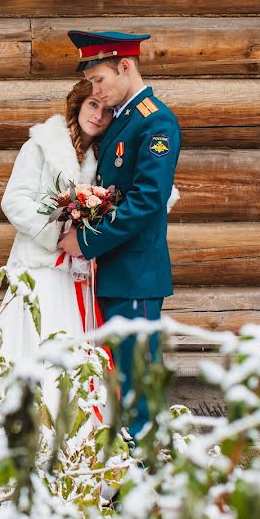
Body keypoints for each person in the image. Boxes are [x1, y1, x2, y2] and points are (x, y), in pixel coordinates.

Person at [58, 30, 181, 440]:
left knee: (139, 389)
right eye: (91, 83)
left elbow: (146, 202)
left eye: (99, 80)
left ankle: (149, 485)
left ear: (125, 66)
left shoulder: (156, 121)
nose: (95, 90)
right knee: (121, 385)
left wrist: (85, 242)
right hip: (114, 277)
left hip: (136, 277)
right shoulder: (125, 120)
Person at [0, 78, 112, 422]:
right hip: (39, 269)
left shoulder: (102, 156)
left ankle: (72, 435)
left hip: (75, 272)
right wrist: (59, 232)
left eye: (107, 110)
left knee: (71, 355)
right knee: (35, 348)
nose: (98, 115)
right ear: (78, 105)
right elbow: (14, 201)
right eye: (93, 105)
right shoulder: (42, 145)